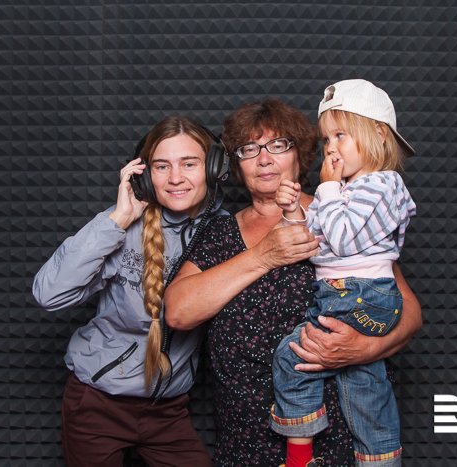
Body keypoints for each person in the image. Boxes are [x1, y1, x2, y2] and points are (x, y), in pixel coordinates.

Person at [164, 99, 422, 466]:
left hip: (335, 441)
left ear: (301, 155)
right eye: (249, 149)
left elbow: (408, 314)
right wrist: (263, 255)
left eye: (278, 145)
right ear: (237, 165)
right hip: (246, 440)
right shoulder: (220, 233)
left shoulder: (341, 215)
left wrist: (364, 349)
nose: (264, 159)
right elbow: (178, 312)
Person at [32, 116, 227, 467]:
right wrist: (118, 220)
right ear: (143, 175)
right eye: (162, 166)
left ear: (213, 168)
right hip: (98, 404)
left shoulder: (226, 232)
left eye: (189, 164)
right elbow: (49, 294)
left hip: (168, 408)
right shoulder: (121, 225)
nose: (175, 178)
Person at [271, 79, 417, 467]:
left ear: (379, 135)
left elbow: (342, 237)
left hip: (361, 294)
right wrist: (293, 210)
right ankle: (379, 459)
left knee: (292, 356)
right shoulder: (343, 189)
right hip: (338, 293)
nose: (331, 148)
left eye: (341, 135)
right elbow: (313, 244)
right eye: (326, 139)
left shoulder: (382, 184)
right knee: (362, 386)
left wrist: (327, 189)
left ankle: (298, 458)